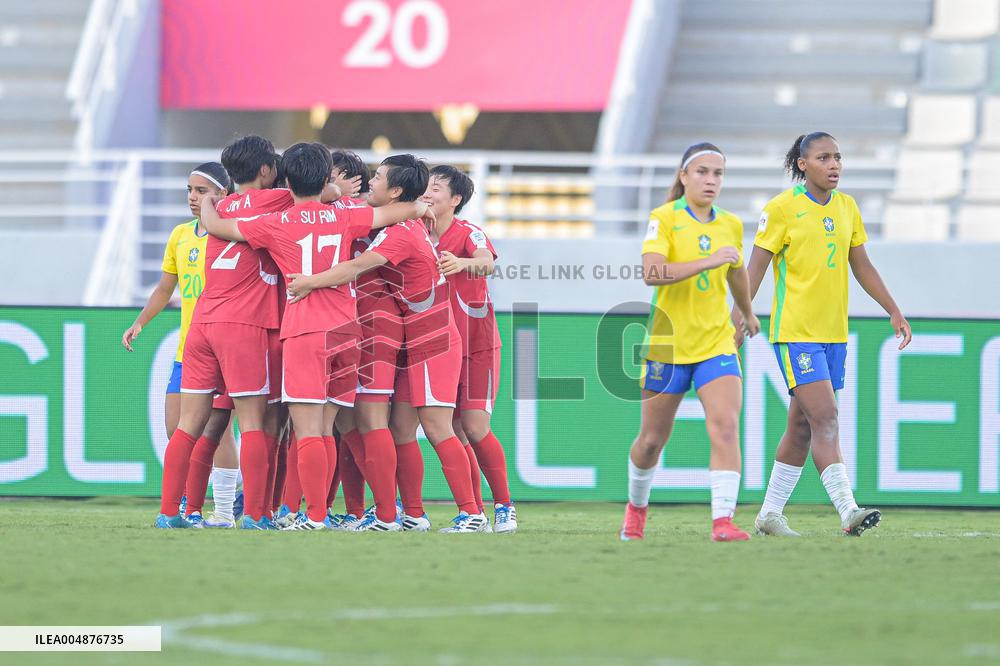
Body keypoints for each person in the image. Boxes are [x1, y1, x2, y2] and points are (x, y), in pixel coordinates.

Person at [201, 143, 434, 530]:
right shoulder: (346, 215)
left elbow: (218, 228)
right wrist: (420, 208)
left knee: (309, 430)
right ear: (326, 177)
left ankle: (314, 515)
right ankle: (369, 512)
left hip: (305, 329)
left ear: (286, 179)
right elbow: (395, 212)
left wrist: (211, 203)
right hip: (348, 329)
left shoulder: (275, 223)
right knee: (328, 427)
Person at [287, 154, 488, 533]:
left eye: (377, 177)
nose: (370, 182)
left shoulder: (400, 234)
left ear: (395, 190)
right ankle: (410, 514)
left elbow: (354, 268)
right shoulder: (404, 225)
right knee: (400, 429)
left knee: (437, 427)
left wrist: (308, 282)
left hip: (433, 340)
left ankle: (472, 514)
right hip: (418, 339)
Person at [744, 132, 912, 537]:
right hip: (795, 333)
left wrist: (893, 309)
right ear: (803, 165)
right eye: (823, 158)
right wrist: (741, 313)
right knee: (826, 417)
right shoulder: (781, 209)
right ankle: (848, 510)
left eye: (837, 157)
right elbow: (756, 267)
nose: (834, 164)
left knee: (802, 427)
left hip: (834, 335)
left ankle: (769, 515)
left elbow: (862, 266)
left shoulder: (847, 207)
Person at [619, 142, 761, 542]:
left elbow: (736, 272)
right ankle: (636, 511)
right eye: (702, 172)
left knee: (726, 427)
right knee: (651, 441)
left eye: (718, 173)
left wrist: (746, 312)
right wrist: (709, 260)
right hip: (667, 345)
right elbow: (652, 272)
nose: (711, 180)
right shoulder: (664, 218)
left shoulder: (729, 223)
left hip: (716, 343)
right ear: (683, 176)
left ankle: (723, 521)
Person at [154, 135, 291, 530]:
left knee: (189, 426)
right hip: (243, 326)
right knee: (253, 424)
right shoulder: (277, 202)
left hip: (202, 324)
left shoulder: (220, 206)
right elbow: (318, 194)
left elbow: (214, 217)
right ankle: (255, 515)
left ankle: (170, 512)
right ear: (266, 170)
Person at [124, 162, 242, 528]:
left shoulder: (232, 234)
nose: (193, 197)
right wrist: (140, 322)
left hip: (223, 349)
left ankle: (222, 509)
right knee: (177, 430)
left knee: (217, 433)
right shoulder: (180, 235)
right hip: (187, 351)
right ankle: (199, 502)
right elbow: (165, 288)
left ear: (223, 194)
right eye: (189, 190)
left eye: (201, 191)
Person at [420, 164, 516, 533]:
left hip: (478, 347)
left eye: (436, 188)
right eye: (426, 186)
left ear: (455, 199)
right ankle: (474, 514)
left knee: (475, 427)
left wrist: (462, 263)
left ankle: (504, 506)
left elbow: (486, 263)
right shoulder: (415, 232)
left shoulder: (468, 233)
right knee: (454, 433)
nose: (427, 193)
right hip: (439, 348)